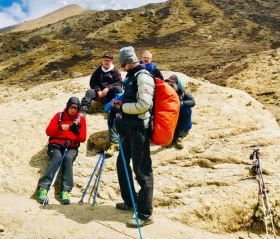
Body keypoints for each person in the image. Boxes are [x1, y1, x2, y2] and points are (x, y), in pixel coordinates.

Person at [113, 46, 155, 227]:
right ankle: (131, 201)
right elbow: (132, 100)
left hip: (140, 130)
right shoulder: (131, 77)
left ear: (127, 62)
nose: (122, 69)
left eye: (122, 64)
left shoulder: (143, 76)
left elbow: (145, 104)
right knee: (122, 163)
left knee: (142, 170)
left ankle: (145, 213)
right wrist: (121, 102)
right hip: (129, 128)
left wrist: (122, 108)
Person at [37, 97, 87, 204]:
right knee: (57, 158)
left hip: (71, 147)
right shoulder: (59, 116)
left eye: (76, 108)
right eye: (71, 107)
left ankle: (65, 190)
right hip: (56, 145)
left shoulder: (80, 120)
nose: (73, 110)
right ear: (68, 106)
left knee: (68, 159)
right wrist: (60, 127)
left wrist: (76, 130)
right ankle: (43, 187)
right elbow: (48, 131)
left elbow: (82, 138)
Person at [80, 52, 122, 154]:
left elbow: (119, 82)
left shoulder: (115, 71)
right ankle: (83, 112)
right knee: (89, 92)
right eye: (104, 60)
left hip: (110, 94)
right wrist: (98, 90)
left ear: (111, 61)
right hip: (99, 94)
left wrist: (108, 88)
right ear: (102, 61)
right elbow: (92, 82)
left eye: (108, 60)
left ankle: (117, 108)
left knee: (117, 89)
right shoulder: (98, 71)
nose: (106, 62)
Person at [165, 75, 195, 149]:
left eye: (172, 84)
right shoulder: (166, 93)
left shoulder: (183, 94)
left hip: (183, 123)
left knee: (186, 110)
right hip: (172, 122)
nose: (170, 86)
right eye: (168, 84)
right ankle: (170, 137)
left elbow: (192, 102)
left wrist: (181, 103)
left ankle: (179, 135)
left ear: (178, 85)